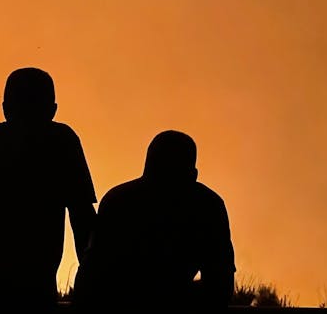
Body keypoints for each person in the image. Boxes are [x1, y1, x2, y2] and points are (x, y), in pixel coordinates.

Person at [0, 67, 97, 311]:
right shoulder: (61, 141)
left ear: (5, 107)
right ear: (52, 110)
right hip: (32, 277)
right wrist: (94, 280)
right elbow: (82, 216)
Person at [74, 130, 235, 312]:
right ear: (193, 174)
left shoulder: (119, 200)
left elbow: (88, 278)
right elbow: (221, 283)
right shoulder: (208, 206)